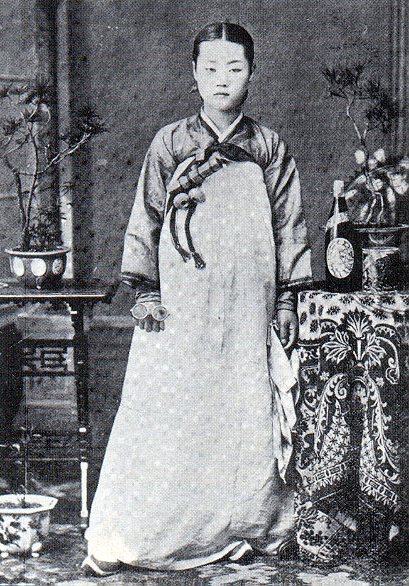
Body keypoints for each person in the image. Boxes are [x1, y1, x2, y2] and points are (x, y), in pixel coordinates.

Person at [82, 22, 312, 576]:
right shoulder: (170, 143)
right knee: (173, 406)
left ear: (252, 74)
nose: (222, 79)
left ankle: (245, 520)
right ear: (193, 74)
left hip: (248, 303)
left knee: (242, 402)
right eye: (210, 68)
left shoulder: (268, 148)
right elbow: (146, 218)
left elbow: (290, 229)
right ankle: (150, 530)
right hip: (182, 302)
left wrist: (286, 302)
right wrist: (145, 292)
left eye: (234, 68)